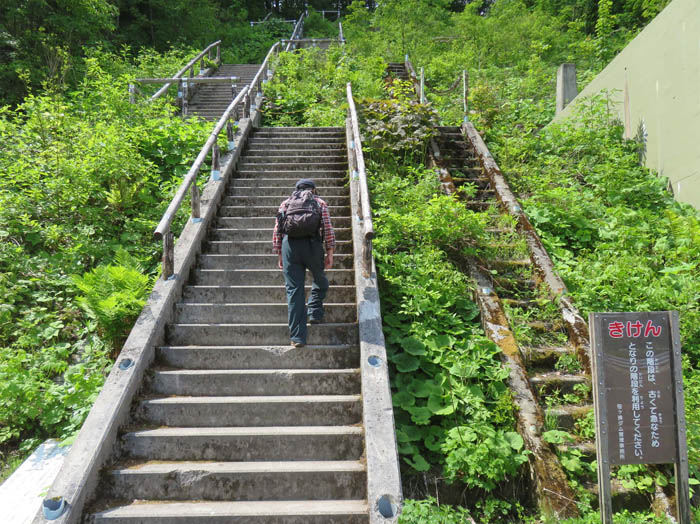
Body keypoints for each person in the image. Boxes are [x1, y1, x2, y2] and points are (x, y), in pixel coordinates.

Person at [272, 178, 335, 347]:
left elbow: (278, 230)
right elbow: (327, 228)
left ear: (296, 190)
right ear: (313, 190)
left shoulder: (285, 204)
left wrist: (279, 254)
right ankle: (314, 310)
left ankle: (297, 337)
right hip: (312, 246)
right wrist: (330, 252)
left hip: (290, 247)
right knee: (320, 279)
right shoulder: (320, 203)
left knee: (294, 291)